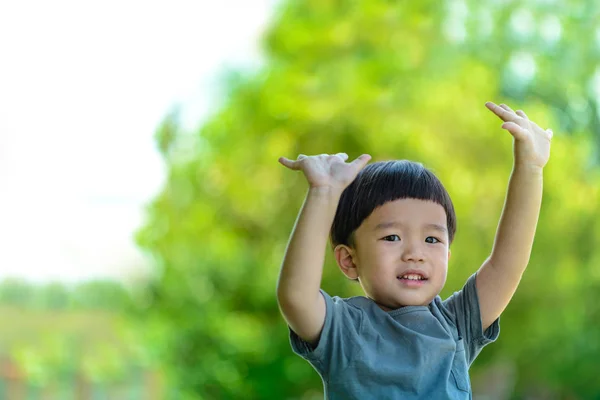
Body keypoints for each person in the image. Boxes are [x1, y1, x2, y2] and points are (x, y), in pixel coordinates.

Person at [275, 102, 552, 399]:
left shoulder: (456, 324)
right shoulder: (343, 329)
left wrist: (531, 169)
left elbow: (506, 264)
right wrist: (323, 193)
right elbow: (296, 296)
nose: (414, 253)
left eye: (431, 240)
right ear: (348, 260)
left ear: (447, 255)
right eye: (392, 237)